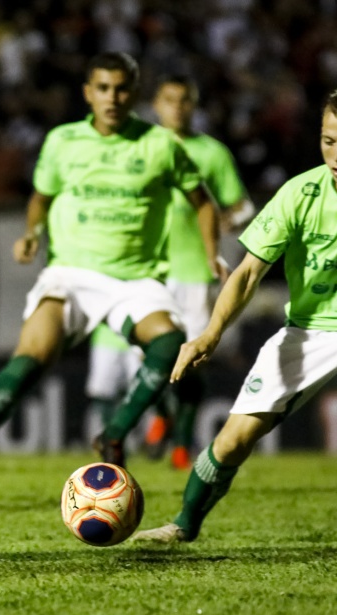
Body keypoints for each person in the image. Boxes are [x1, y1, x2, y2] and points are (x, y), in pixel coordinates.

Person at [132, 85, 337, 549]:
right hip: (311, 331)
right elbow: (248, 271)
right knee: (234, 442)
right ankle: (182, 525)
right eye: (328, 140)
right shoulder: (300, 193)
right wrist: (211, 333)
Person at [0, 52, 226, 500]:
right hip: (70, 274)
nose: (112, 97)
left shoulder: (161, 145)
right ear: (88, 93)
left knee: (169, 343)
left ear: (134, 93)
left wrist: (211, 254)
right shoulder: (62, 142)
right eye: (103, 88)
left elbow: (203, 201)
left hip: (134, 278)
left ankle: (114, 433)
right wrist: (31, 232)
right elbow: (40, 198)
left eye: (122, 89)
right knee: (29, 359)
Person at [84, 76, 254, 470]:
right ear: (156, 105)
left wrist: (231, 218)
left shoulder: (212, 153)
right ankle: (163, 415)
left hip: (195, 272)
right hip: (148, 270)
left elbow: (242, 206)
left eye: (185, 101)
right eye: (170, 100)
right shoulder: (139, 145)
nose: (177, 108)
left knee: (192, 359)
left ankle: (180, 442)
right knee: (152, 356)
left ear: (193, 106)